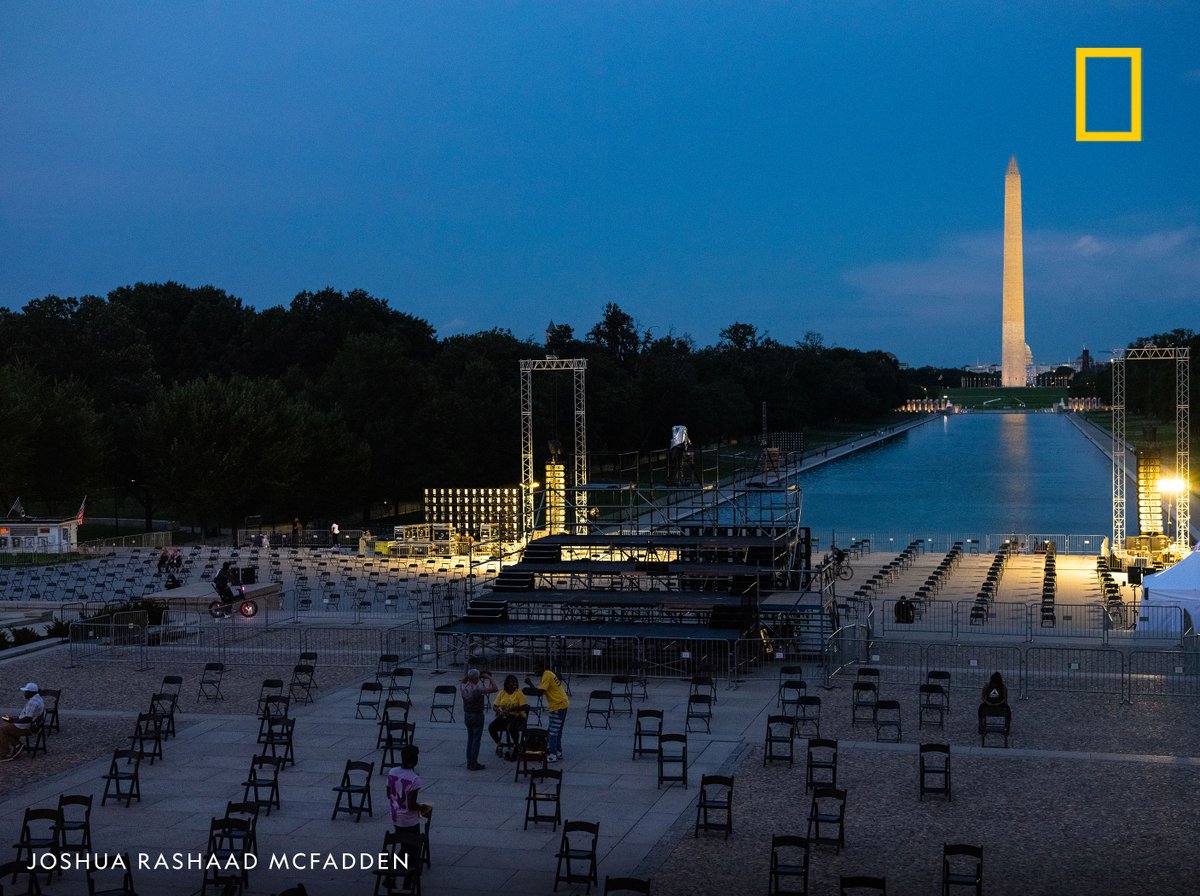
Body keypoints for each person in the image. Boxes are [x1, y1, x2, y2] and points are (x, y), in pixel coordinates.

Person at [385, 744, 430, 890]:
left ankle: (393, 874)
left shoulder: (392, 771)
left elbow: (388, 794)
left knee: (404, 844)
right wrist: (424, 807)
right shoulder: (414, 779)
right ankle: (402, 876)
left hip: (395, 815)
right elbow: (411, 804)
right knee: (411, 849)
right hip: (409, 820)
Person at [526, 663, 569, 762]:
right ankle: (558, 752)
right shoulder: (547, 674)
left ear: (542, 668)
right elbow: (542, 690)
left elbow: (539, 693)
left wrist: (530, 684)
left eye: (536, 669)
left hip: (558, 706)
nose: (535, 671)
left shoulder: (546, 676)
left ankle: (552, 754)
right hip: (562, 704)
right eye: (534, 669)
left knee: (553, 732)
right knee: (557, 731)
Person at [460, 669, 498, 771]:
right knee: (476, 739)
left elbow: (464, 680)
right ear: (476, 678)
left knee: (470, 739)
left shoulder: (463, 686)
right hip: (477, 715)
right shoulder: (477, 689)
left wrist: (470, 674)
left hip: (467, 714)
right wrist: (488, 677)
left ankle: (469, 761)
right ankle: (474, 762)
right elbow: (495, 688)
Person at [0, 682, 45, 760]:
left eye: (26, 692)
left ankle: (4, 754)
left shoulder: (33, 703)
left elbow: (28, 718)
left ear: (31, 692)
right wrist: (15, 719)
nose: (24, 694)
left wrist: (13, 720)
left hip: (26, 727)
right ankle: (16, 745)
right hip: (31, 724)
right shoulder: (38, 699)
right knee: (7, 729)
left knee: (3, 730)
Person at [489, 674, 529, 757]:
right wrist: (498, 710)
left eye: (515, 682)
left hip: (518, 716)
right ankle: (499, 744)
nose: (514, 683)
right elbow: (495, 706)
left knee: (512, 727)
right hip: (505, 716)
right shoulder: (502, 693)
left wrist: (511, 709)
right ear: (507, 684)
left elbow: (525, 706)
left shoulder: (519, 693)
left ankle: (516, 746)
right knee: (491, 727)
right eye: (512, 682)